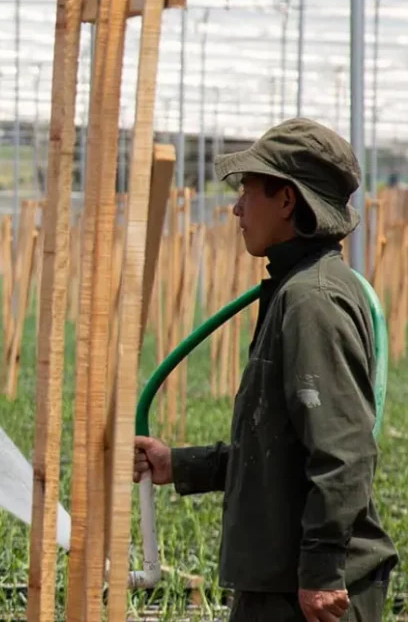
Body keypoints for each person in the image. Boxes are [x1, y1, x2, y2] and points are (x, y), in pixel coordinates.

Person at [133, 118, 399, 622]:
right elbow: (280, 451)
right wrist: (180, 465)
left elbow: (343, 452)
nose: (236, 207)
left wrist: (320, 573)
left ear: (287, 201)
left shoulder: (311, 301)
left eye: (249, 190)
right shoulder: (293, 290)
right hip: (284, 584)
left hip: (309, 595)